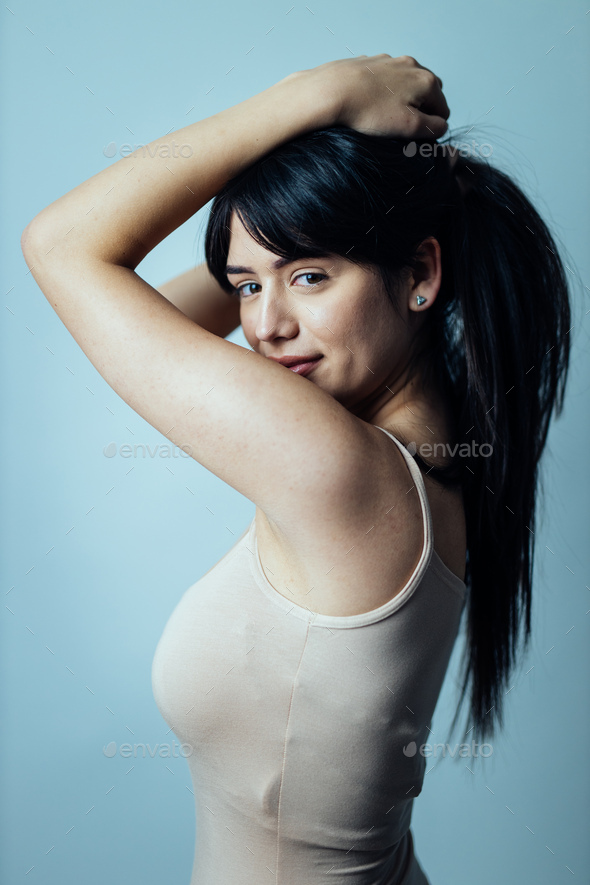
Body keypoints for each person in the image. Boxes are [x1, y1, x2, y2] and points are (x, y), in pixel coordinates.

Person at [21, 54, 571, 884]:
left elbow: (62, 247)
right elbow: (149, 328)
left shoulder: (341, 469)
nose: (265, 325)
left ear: (420, 274)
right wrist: (281, 237)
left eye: (311, 276)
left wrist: (316, 98)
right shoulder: (419, 456)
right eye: (245, 287)